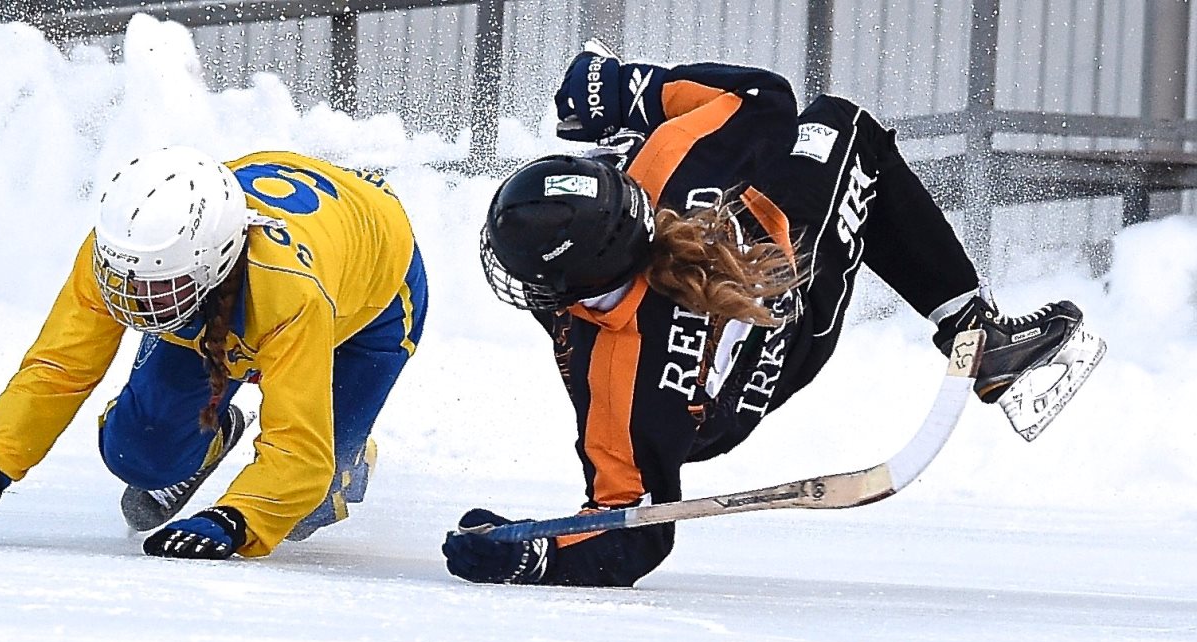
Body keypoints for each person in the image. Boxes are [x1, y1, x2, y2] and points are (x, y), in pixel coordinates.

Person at [442, 46, 1104, 586]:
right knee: (845, 128)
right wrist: (627, 89)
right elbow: (765, 101)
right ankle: (973, 330)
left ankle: (976, 337)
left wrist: (532, 558)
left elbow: (634, 533)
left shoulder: (620, 384)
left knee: (840, 138)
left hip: (764, 348)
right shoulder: (665, 168)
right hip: (774, 311)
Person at [0, 146, 428, 559]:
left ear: (212, 266)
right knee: (138, 451)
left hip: (374, 296)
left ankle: (353, 460)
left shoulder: (289, 292)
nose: (133, 300)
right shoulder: (129, 251)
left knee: (306, 500)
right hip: (255, 267)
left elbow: (299, 454)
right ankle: (213, 432)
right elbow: (58, 367)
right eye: (127, 280)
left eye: (158, 287)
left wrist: (234, 519)